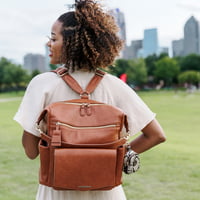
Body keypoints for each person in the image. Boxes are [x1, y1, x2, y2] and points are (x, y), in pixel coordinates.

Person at [14, 0, 166, 199]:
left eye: (53, 38)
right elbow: (156, 135)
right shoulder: (115, 85)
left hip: (57, 192)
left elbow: (31, 151)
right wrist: (111, 156)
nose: (48, 43)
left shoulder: (42, 84)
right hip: (107, 193)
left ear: (70, 42)